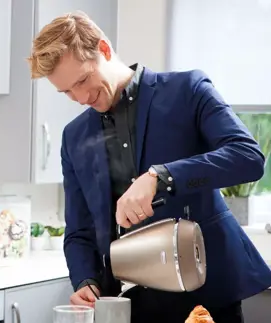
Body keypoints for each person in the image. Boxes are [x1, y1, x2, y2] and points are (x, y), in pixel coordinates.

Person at [27, 10, 271, 323]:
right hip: (129, 305)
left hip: (206, 299)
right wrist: (85, 280)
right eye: (66, 91)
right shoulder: (74, 136)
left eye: (83, 80)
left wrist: (162, 176)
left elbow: (248, 157)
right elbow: (79, 231)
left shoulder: (187, 90)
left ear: (104, 49)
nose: (81, 97)